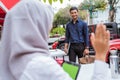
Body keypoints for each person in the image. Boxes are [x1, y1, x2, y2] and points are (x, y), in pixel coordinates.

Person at [0, 0, 110, 80]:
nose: (49, 28)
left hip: (81, 46)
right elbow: (67, 36)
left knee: (83, 66)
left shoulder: (4, 60)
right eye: (47, 24)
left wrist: (86, 47)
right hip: (72, 47)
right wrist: (100, 55)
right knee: (72, 65)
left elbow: (86, 35)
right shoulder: (42, 65)